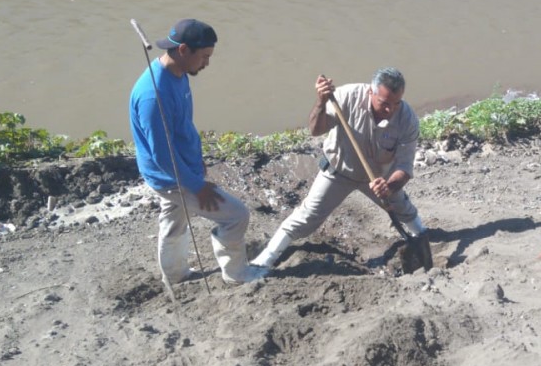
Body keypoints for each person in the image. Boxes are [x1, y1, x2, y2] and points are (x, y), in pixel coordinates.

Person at [129, 18, 262, 286]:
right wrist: (196, 186)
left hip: (182, 168)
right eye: (204, 56)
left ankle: (175, 275)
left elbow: (182, 128)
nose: (207, 63)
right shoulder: (154, 96)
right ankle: (237, 274)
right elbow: (162, 155)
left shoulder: (178, 75)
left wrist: (196, 158)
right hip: (172, 176)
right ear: (183, 51)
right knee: (236, 216)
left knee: (174, 221)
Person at [252, 67, 426, 271]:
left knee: (404, 209)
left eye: (396, 103)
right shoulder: (346, 96)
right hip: (338, 171)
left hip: (378, 178)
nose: (391, 110)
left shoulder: (407, 118)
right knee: (306, 216)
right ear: (371, 92)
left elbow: (404, 166)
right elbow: (315, 130)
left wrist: (389, 186)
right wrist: (321, 101)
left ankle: (422, 237)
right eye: (384, 104)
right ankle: (265, 259)